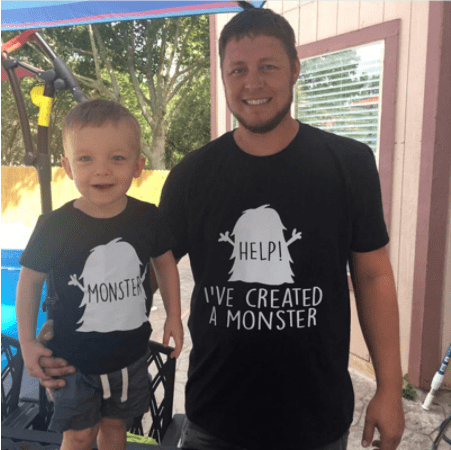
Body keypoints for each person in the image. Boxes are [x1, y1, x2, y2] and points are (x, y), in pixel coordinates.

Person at [37, 8, 405, 450]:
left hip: (316, 419)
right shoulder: (193, 175)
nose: (253, 83)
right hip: (216, 417)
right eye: (238, 70)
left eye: (268, 66)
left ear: (294, 70)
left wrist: (389, 388)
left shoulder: (349, 164)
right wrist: (72, 330)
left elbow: (373, 275)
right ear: (223, 77)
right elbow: (147, 271)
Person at [16, 99, 183, 450]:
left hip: (129, 357)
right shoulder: (55, 226)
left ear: (138, 165)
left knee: (115, 429)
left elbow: (165, 262)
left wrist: (174, 316)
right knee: (77, 436)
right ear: (67, 166)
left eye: (117, 158)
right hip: (71, 359)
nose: (102, 171)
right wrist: (28, 342)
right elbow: (30, 281)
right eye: (86, 158)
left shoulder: (147, 218)